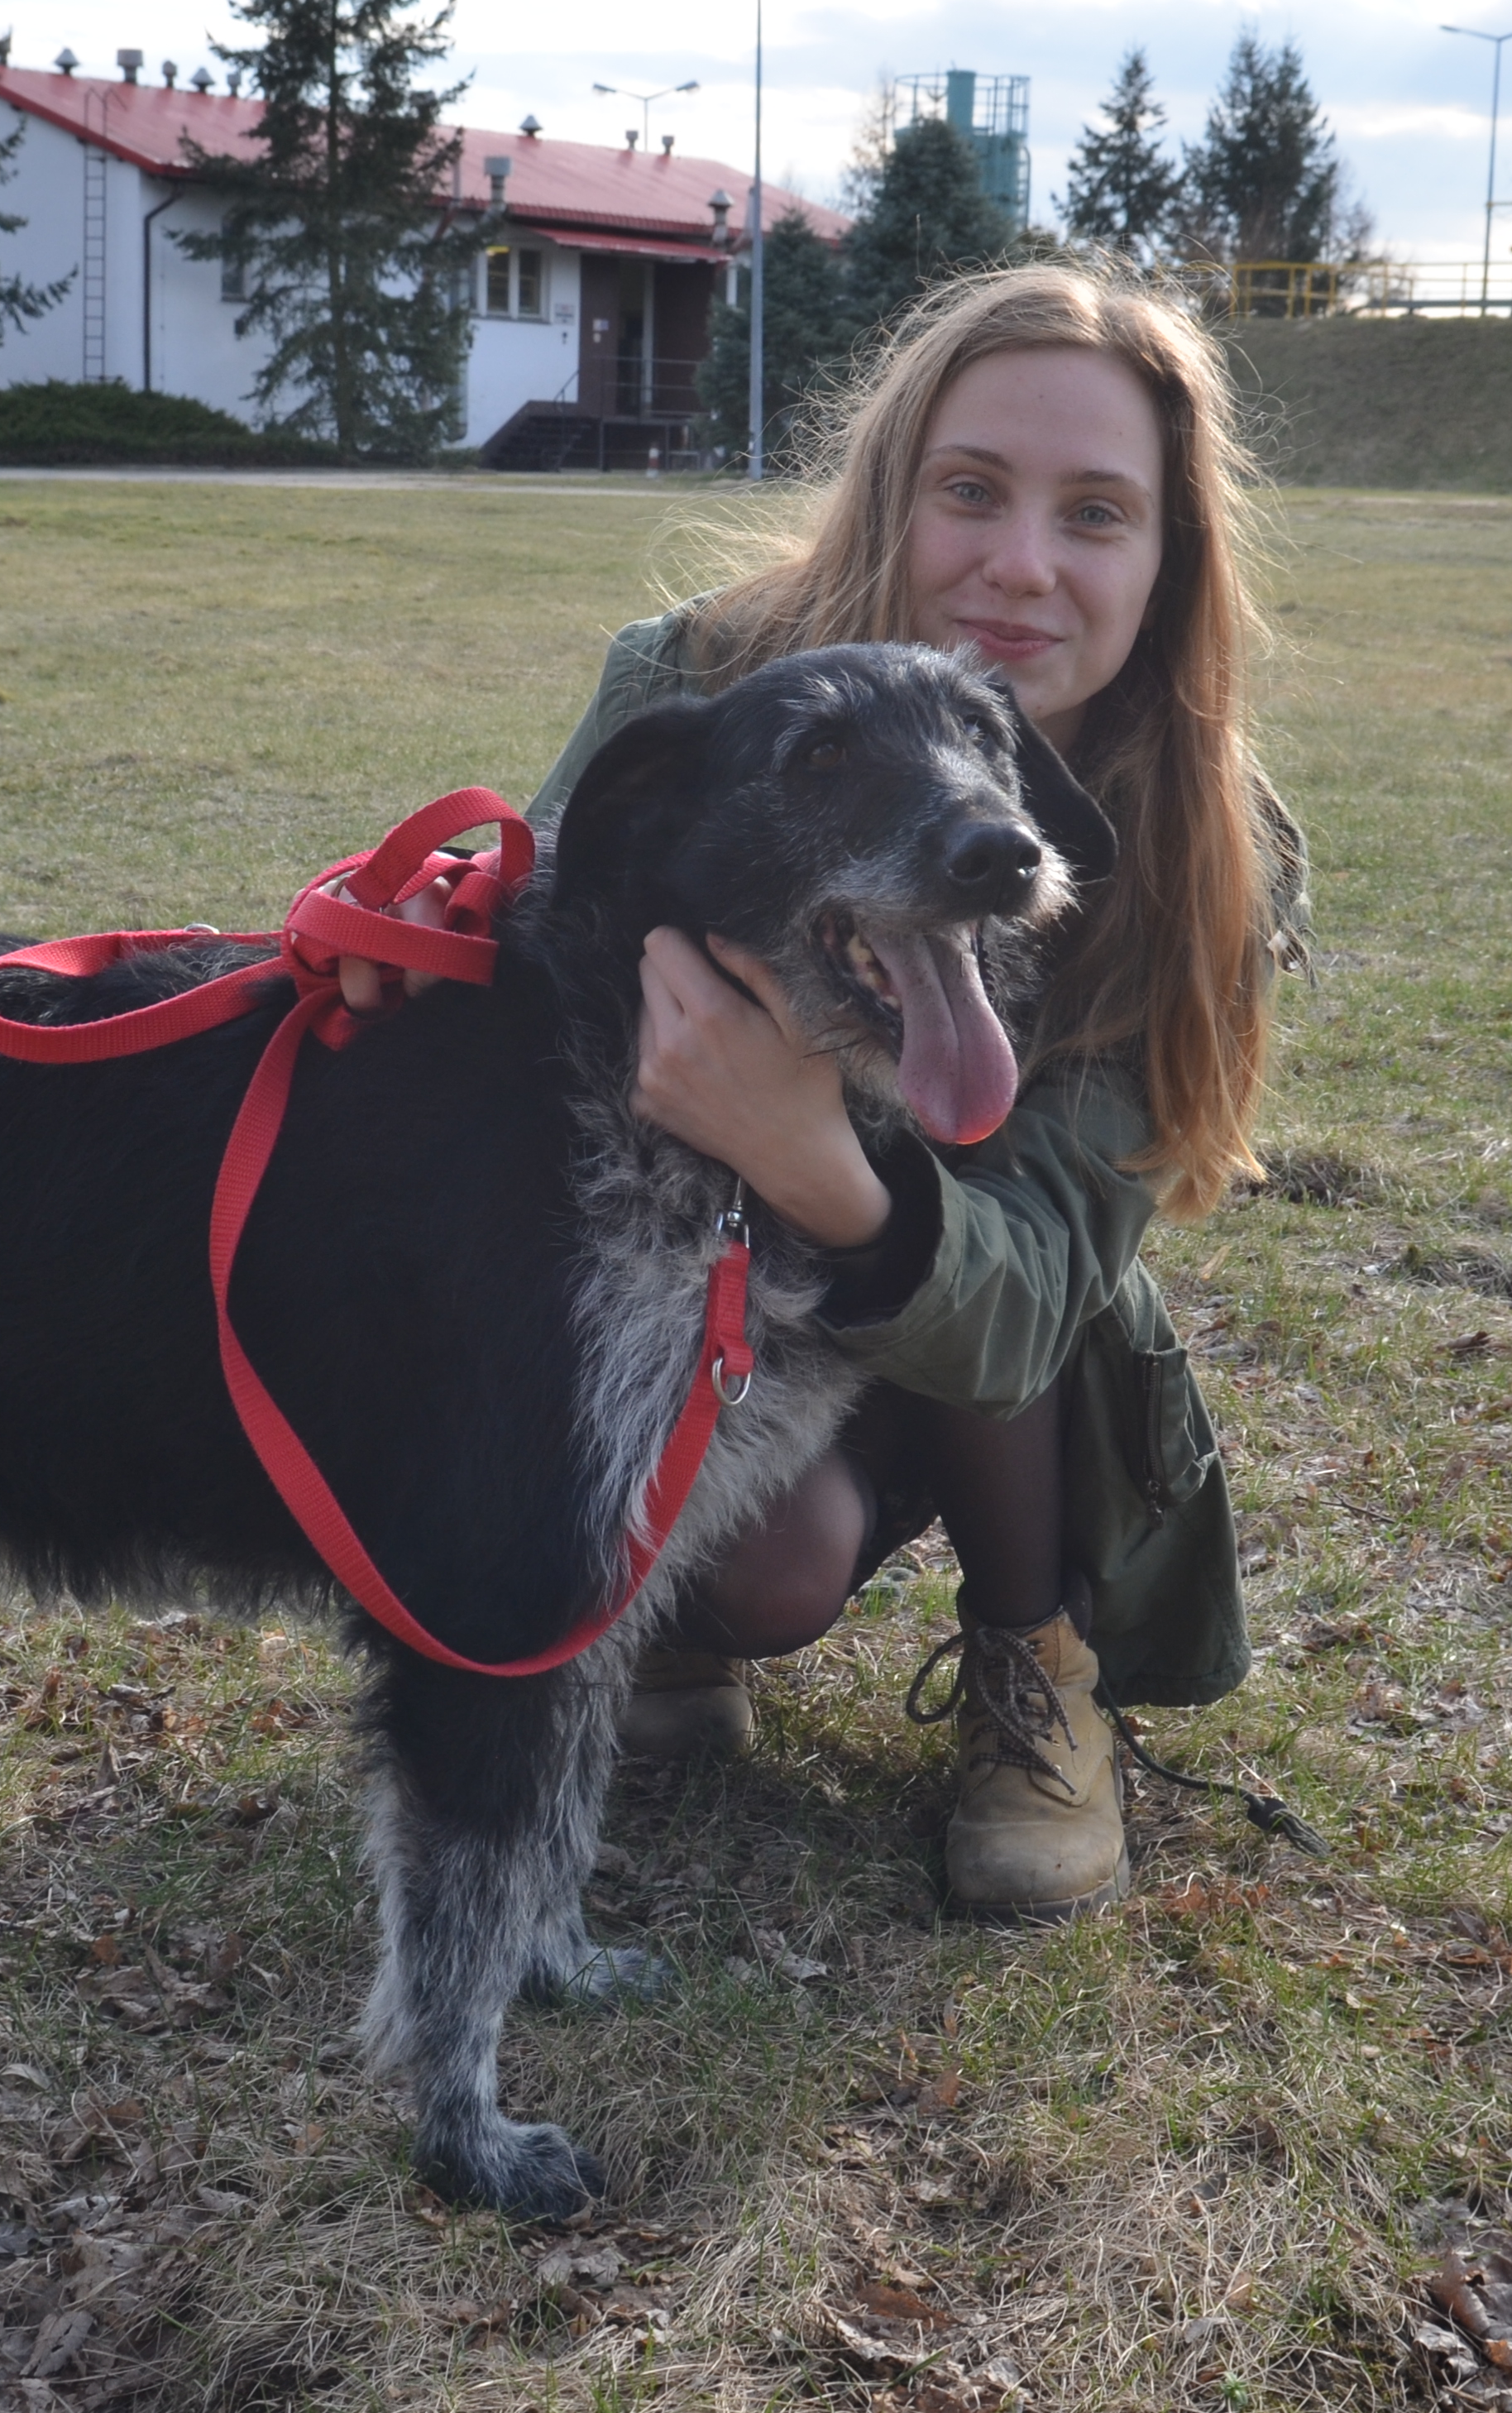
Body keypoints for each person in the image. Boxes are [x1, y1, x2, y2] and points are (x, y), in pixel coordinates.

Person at [518, 260, 1302, 1919]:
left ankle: (1037, 1672)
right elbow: (529, 967)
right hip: (693, 1282)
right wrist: (406, 958)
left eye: (1097, 515)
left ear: (1164, 564)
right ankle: (659, 1609)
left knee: (987, 1220)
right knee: (760, 1566)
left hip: (999, 1347)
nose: (1020, 565)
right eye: (970, 492)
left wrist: (810, 1153)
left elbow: (1030, 1297)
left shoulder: (1198, 840)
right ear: (889, 490)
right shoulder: (694, 684)